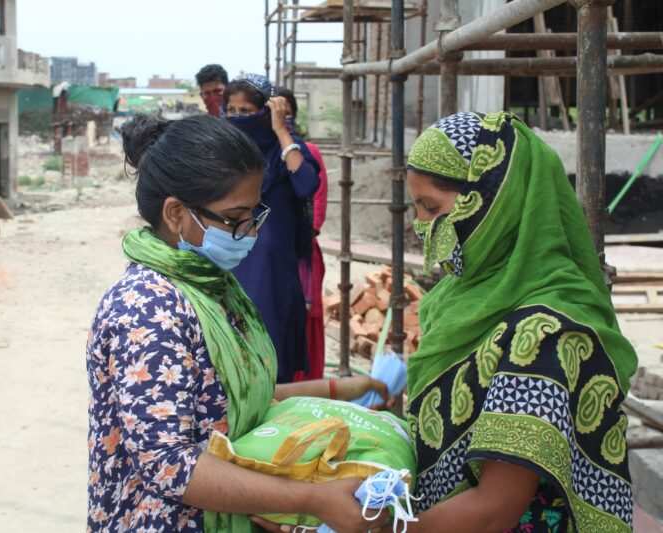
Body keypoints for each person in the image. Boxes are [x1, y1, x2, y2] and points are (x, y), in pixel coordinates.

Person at [258, 112, 638, 533]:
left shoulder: (542, 330)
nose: (420, 225)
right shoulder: (462, 297)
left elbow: (494, 511)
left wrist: (371, 529)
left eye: (431, 208)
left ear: (494, 205)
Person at [86, 112, 395, 533]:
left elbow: (226, 400)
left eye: (254, 214)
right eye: (235, 219)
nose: (250, 233)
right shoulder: (148, 310)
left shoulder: (212, 286)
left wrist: (337, 392)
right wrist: (312, 499)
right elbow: (169, 465)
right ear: (176, 214)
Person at [224, 74, 319, 383]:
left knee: (273, 357)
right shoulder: (225, 154)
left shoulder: (287, 152)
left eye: (246, 111)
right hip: (233, 268)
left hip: (274, 275)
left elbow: (305, 184)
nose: (238, 119)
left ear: (266, 111)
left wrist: (280, 130)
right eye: (232, 111)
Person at [277, 86, 329, 381]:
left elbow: (317, 198)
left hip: (302, 252)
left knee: (305, 319)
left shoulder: (307, 154)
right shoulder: (260, 155)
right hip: (273, 253)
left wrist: (304, 231)